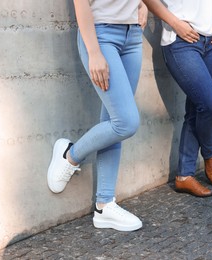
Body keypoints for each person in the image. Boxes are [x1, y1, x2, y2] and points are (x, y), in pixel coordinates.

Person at [47, 0, 148, 232]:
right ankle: (70, 155)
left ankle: (104, 205)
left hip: (132, 34)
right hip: (101, 34)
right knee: (126, 122)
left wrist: (143, 4)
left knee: (113, 122)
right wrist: (93, 51)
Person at [142, 0, 212, 197]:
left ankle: (184, 176)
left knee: (198, 107)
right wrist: (176, 23)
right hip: (181, 41)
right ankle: (210, 154)